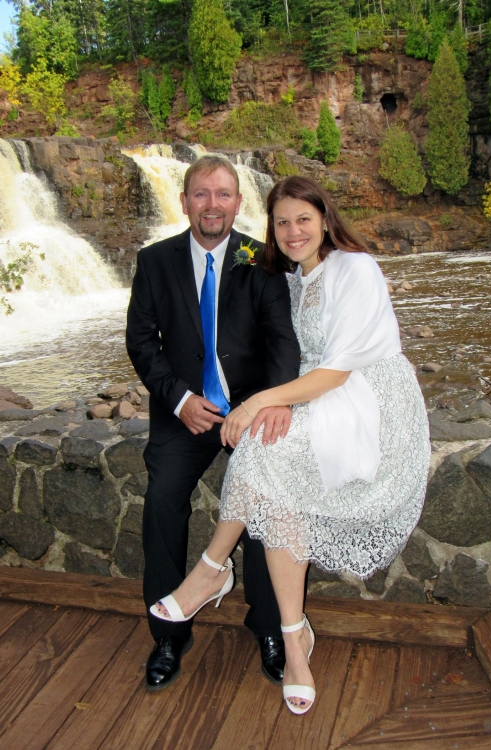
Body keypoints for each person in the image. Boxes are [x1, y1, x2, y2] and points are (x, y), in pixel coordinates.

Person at [150, 176, 431, 714]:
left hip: (369, 399)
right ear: (271, 231)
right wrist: (275, 403)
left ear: (325, 218)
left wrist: (258, 403)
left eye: (303, 218)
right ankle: (293, 636)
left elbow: (336, 369)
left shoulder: (356, 267)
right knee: (273, 471)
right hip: (321, 395)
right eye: (281, 222)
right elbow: (290, 356)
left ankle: (212, 568)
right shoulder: (293, 279)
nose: (292, 230)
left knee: (260, 446)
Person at [126, 156, 301, 691]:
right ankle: (168, 635)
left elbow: (282, 342)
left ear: (238, 201)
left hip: (249, 411)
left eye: (222, 194)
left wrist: (267, 405)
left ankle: (270, 628)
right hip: (185, 416)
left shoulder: (263, 259)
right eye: (201, 194)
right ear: (184, 202)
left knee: (268, 496)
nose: (212, 205)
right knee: (163, 502)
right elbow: (140, 341)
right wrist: (179, 400)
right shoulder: (154, 261)